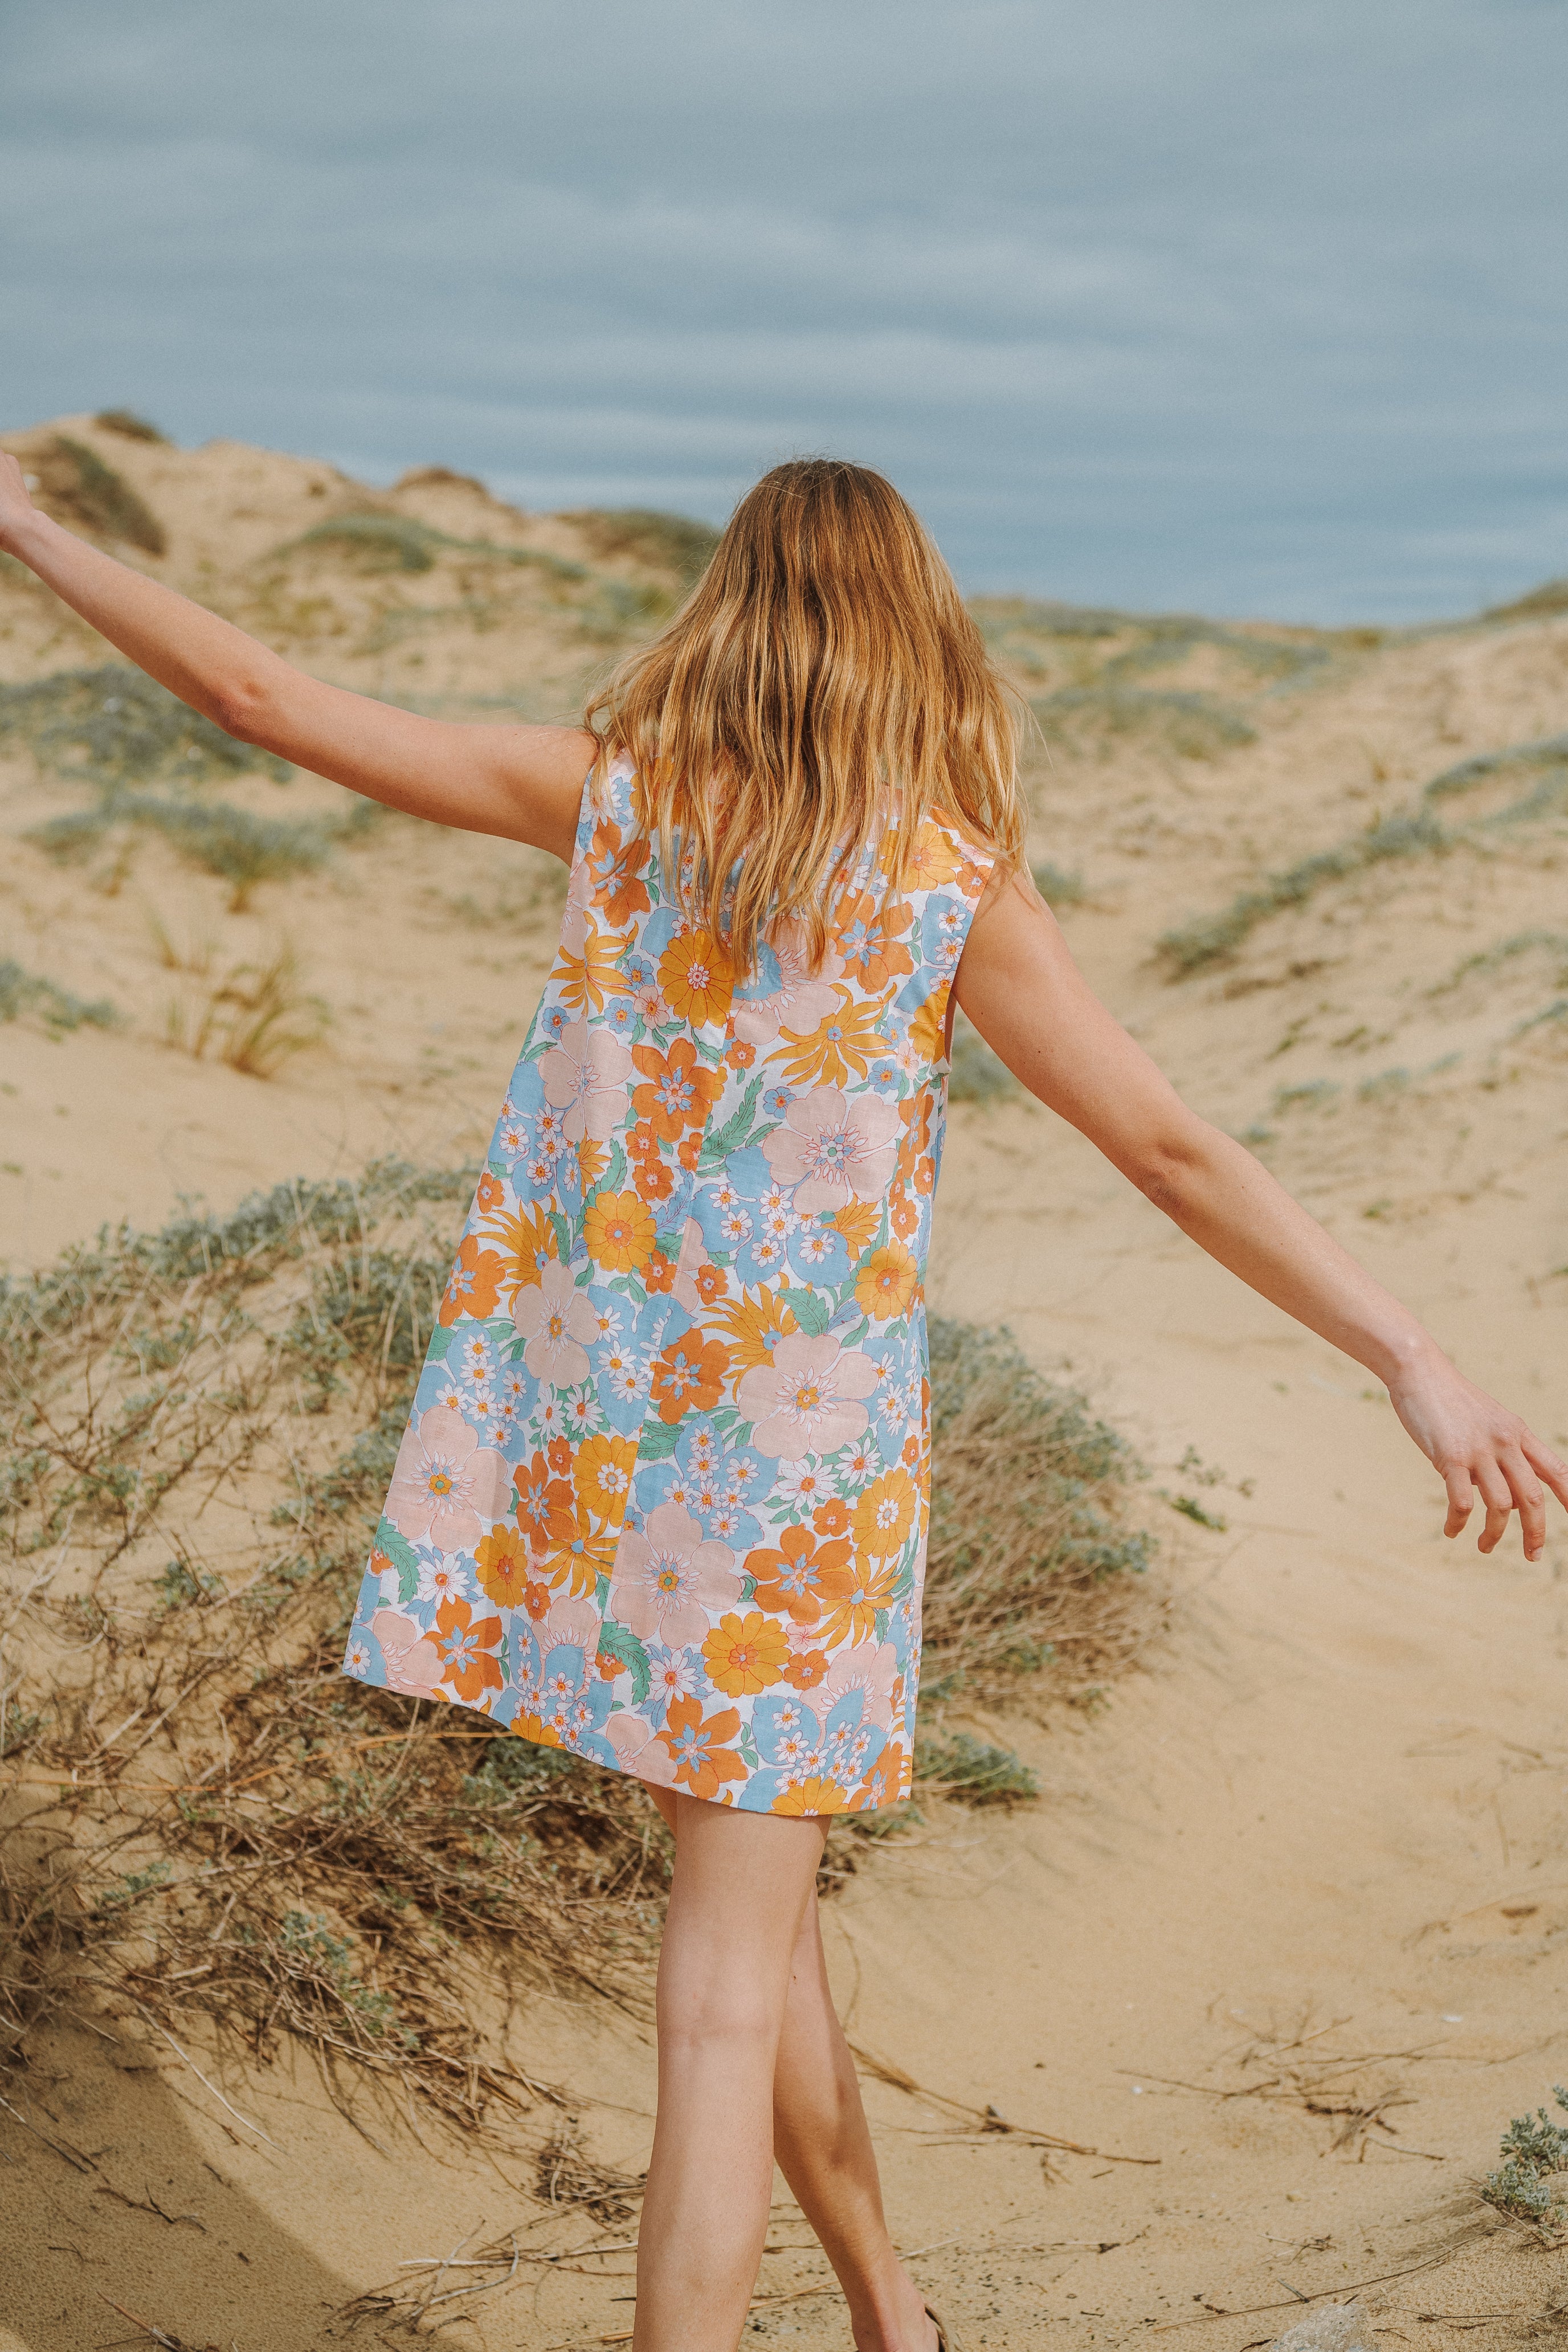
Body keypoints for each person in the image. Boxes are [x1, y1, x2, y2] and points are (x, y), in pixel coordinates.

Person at [2, 450, 1563, 2352]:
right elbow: (1169, 1152)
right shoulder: (945, 881)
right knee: (724, 1994)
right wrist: (1408, 1353)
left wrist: (36, 525)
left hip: (588, 1461)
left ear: (731, 610)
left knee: (763, 1920)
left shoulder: (614, 799)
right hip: (792, 1505)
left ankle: (892, 2310)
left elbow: (260, 698)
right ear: (917, 632)